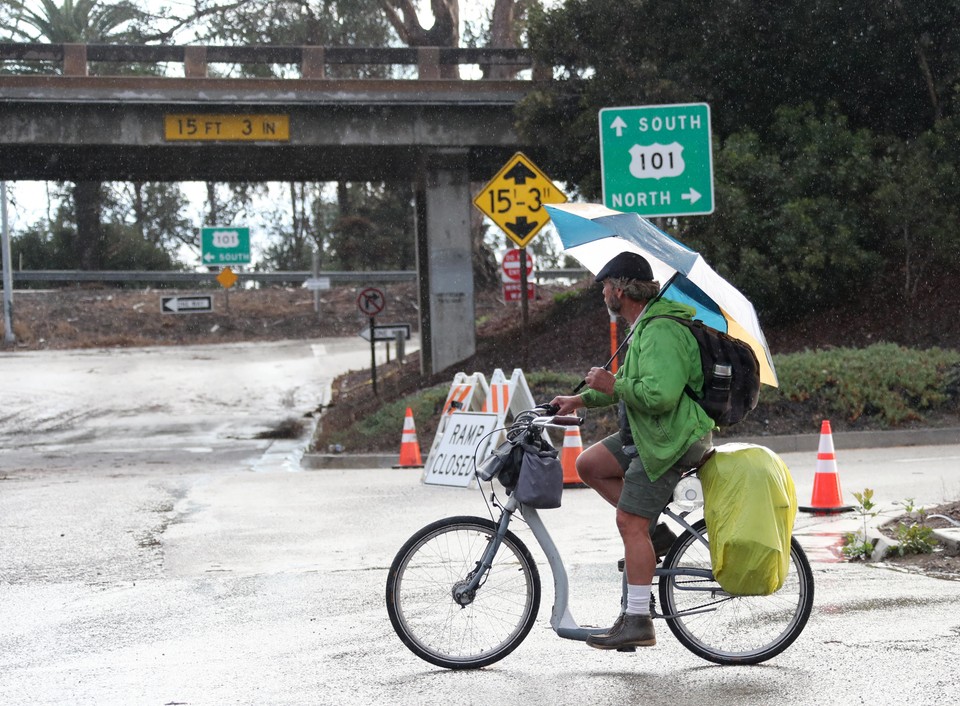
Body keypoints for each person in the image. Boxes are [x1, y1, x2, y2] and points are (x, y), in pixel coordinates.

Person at [550, 251, 715, 651]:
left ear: (620, 289)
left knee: (629, 523)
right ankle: (657, 536)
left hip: (672, 439)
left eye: (605, 286)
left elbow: (659, 396)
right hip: (651, 431)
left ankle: (638, 620)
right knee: (590, 464)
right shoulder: (643, 327)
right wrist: (580, 401)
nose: (603, 292)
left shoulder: (660, 330)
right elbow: (630, 383)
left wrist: (612, 385)